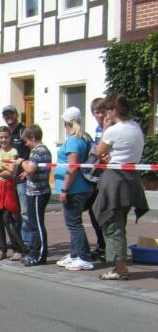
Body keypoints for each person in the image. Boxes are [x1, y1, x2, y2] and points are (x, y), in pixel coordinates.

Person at [92, 95, 149, 281]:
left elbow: (100, 152)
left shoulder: (113, 130)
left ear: (114, 110)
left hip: (115, 179)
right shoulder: (136, 127)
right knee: (119, 223)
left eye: (107, 110)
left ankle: (120, 268)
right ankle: (120, 264)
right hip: (131, 178)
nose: (105, 114)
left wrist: (105, 129)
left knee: (112, 224)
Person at [54, 107, 95, 271]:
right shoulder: (83, 137)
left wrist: (64, 190)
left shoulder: (73, 140)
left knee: (74, 224)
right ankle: (74, 254)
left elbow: (72, 167)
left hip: (74, 189)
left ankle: (84, 257)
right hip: (81, 187)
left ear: (66, 122)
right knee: (74, 222)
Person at [0, 126, 26, 261]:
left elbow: (10, 173)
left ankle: (18, 249)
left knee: (8, 219)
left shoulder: (13, 151)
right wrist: (1, 168)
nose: (3, 140)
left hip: (7, 188)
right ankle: (1, 249)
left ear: (10, 138)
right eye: (1, 137)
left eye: (6, 137)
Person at [18, 124, 51, 266]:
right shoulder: (44, 150)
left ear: (32, 137)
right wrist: (27, 171)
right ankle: (34, 252)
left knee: (37, 225)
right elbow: (35, 169)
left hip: (38, 192)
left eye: (26, 141)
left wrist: (22, 162)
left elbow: (31, 168)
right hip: (35, 191)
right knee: (33, 224)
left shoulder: (37, 151)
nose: (26, 144)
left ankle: (40, 255)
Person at [1, 105, 32, 254]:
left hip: (21, 178)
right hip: (8, 179)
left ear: (16, 115)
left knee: (24, 212)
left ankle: (27, 243)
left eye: (11, 114)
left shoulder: (23, 131)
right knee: (12, 212)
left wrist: (27, 170)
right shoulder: (5, 133)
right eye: (6, 114)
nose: (9, 117)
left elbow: (32, 150)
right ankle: (16, 240)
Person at [84, 97, 106, 259]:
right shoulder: (99, 129)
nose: (99, 115)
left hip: (107, 177)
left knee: (104, 213)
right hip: (96, 176)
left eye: (101, 111)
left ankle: (108, 248)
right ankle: (101, 245)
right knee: (93, 212)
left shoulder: (110, 128)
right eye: (96, 112)